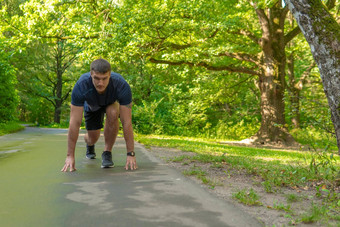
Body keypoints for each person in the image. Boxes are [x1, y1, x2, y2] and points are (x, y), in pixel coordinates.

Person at [61, 59, 137, 172]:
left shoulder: (121, 85)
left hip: (111, 103)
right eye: (96, 78)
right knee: (93, 138)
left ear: (109, 75)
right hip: (92, 106)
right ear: (91, 74)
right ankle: (90, 144)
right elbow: (74, 122)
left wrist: (130, 153)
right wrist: (70, 156)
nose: (100, 83)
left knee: (113, 112)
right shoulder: (81, 86)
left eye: (104, 78)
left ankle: (107, 152)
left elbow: (126, 122)